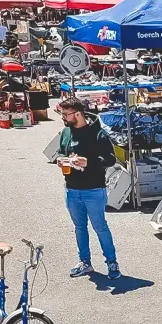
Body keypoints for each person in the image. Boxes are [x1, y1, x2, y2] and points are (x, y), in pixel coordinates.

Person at [54, 96, 120, 280]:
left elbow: (110, 159)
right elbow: (60, 151)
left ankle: (112, 262)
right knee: (79, 228)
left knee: (100, 227)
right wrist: (60, 159)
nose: (63, 118)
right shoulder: (66, 132)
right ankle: (85, 262)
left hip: (93, 190)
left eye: (66, 114)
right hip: (72, 189)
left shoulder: (98, 134)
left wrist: (88, 162)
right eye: (62, 114)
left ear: (78, 114)